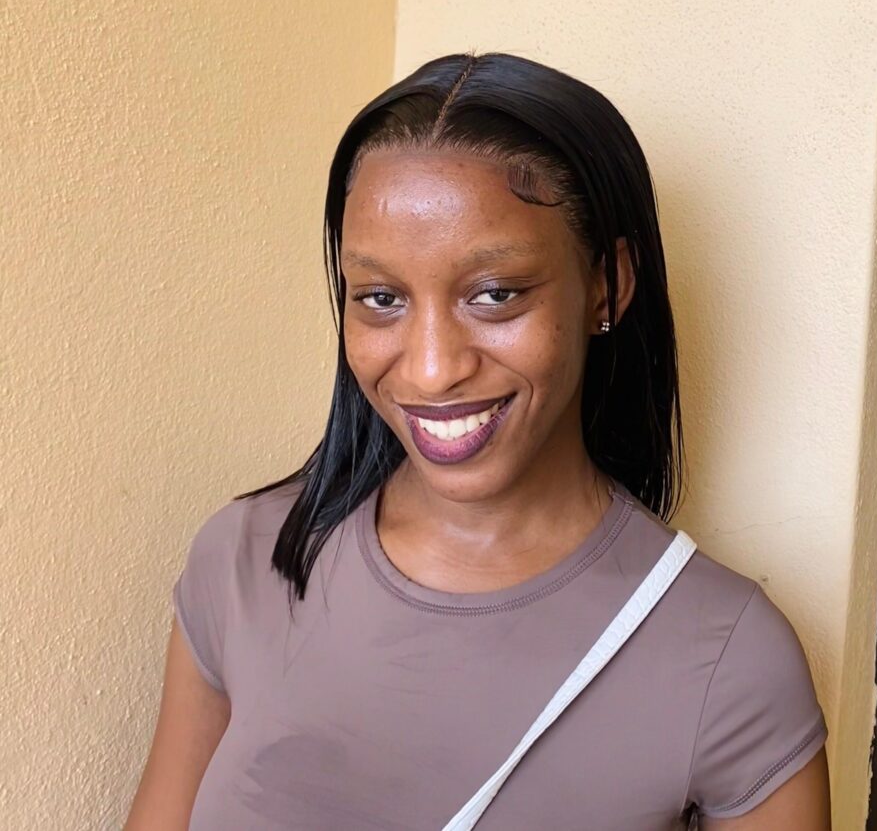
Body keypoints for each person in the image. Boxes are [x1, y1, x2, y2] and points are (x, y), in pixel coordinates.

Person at [126, 51, 831, 830]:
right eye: (381, 297)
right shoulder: (246, 559)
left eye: (495, 294)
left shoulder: (728, 658)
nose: (432, 369)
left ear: (607, 283)